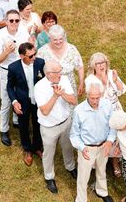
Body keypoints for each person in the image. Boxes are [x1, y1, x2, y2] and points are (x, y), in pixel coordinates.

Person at [34, 60, 78, 194]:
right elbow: (45, 111)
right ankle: (49, 177)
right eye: (58, 72)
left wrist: (62, 94)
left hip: (65, 122)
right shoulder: (39, 87)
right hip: (49, 127)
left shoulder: (63, 79)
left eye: (60, 70)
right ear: (48, 74)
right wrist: (55, 95)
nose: (61, 73)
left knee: (67, 147)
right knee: (48, 153)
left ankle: (70, 167)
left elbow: (74, 100)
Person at [70, 83, 117, 202]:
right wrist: (81, 147)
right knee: (83, 176)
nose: (95, 101)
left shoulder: (107, 105)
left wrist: (110, 141)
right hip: (87, 148)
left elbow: (113, 125)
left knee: (102, 170)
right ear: (87, 95)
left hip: (103, 146)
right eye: (92, 98)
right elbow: (74, 135)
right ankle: (81, 199)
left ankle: (101, 191)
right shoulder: (79, 110)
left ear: (101, 95)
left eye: (97, 97)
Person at [84, 52, 126, 176]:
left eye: (102, 62)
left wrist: (115, 80)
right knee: (104, 136)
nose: (101, 65)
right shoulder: (90, 80)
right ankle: (101, 162)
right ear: (93, 66)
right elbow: (96, 100)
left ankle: (115, 162)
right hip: (100, 111)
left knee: (117, 137)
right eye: (97, 63)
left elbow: (122, 90)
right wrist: (105, 84)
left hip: (116, 108)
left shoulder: (111, 73)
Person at [7, 41, 45, 163]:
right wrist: (14, 102)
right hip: (22, 101)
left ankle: (37, 147)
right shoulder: (13, 68)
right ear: (22, 56)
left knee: (37, 124)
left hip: (37, 101)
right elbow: (9, 87)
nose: (34, 58)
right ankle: (27, 149)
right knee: (23, 125)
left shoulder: (40, 63)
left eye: (35, 54)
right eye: (30, 56)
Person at [0, 9, 21, 147]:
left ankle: (16, 120)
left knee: (20, 96)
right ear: (6, 21)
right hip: (6, 70)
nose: (14, 23)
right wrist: (7, 51)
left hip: (20, 69)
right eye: (11, 20)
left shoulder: (23, 33)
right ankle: (4, 130)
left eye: (17, 20)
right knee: (6, 101)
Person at [37, 24, 84, 97]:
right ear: (49, 38)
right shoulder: (42, 52)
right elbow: (38, 72)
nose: (58, 42)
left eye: (61, 39)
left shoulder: (72, 49)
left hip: (70, 88)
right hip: (50, 89)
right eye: (55, 40)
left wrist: (81, 84)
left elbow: (80, 66)